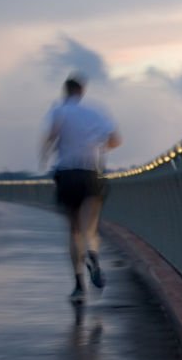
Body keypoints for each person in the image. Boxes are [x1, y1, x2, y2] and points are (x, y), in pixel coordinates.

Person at [40, 73, 122, 303]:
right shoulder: (97, 111)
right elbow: (116, 140)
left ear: (65, 91)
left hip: (66, 173)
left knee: (73, 230)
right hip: (91, 173)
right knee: (90, 227)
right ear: (82, 91)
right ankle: (94, 255)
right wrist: (97, 146)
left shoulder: (59, 110)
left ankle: (78, 285)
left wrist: (45, 156)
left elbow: (51, 136)